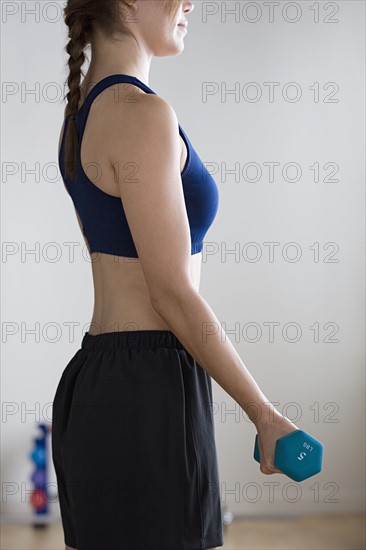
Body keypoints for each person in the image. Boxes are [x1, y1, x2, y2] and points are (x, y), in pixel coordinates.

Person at [51, 1, 298, 549]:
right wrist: (265, 415)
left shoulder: (85, 113)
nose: (189, 2)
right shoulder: (140, 113)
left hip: (106, 383)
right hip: (147, 393)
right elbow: (170, 293)